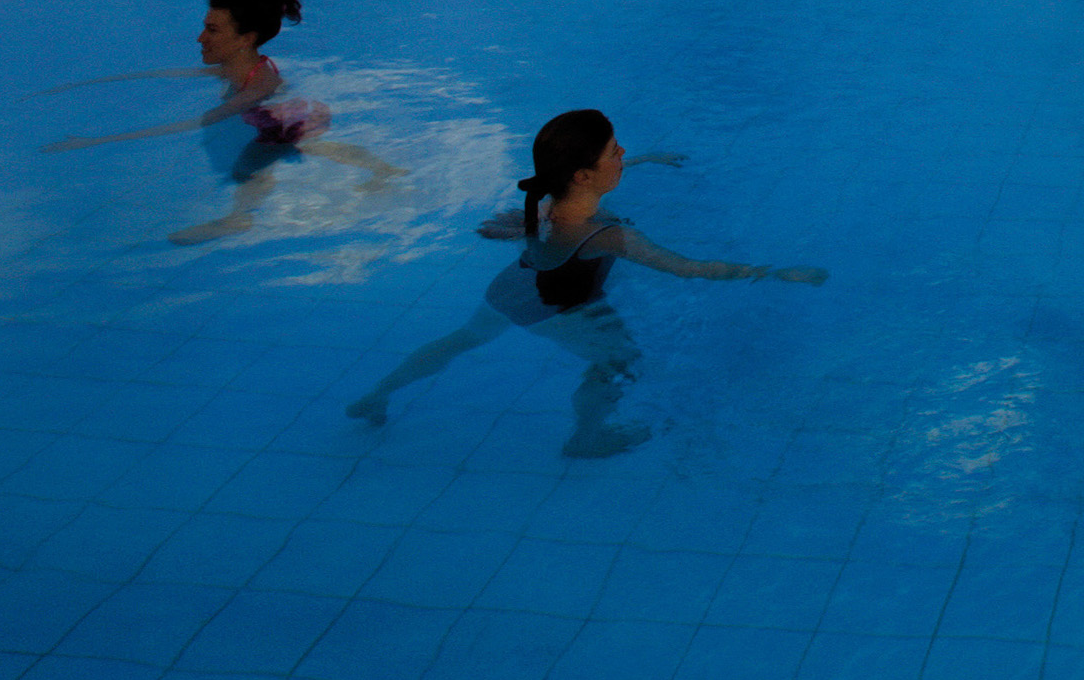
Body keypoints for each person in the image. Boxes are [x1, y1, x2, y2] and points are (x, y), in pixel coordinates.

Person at [344, 108, 824, 457]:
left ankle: (377, 394)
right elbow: (690, 268)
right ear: (584, 172)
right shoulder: (608, 235)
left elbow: (569, 185)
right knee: (621, 361)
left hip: (510, 287)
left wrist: (644, 161)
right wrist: (779, 273)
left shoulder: (544, 195)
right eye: (616, 153)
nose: (623, 155)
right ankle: (586, 439)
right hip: (558, 309)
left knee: (461, 340)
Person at [35, 0, 402, 243]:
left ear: (246, 38)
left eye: (212, 29)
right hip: (286, 114)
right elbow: (172, 73)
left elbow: (191, 123)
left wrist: (95, 140)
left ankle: (237, 219)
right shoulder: (234, 68)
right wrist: (89, 83)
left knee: (251, 168)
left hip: (277, 118)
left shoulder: (257, 87)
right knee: (304, 150)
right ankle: (382, 169)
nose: (200, 38)